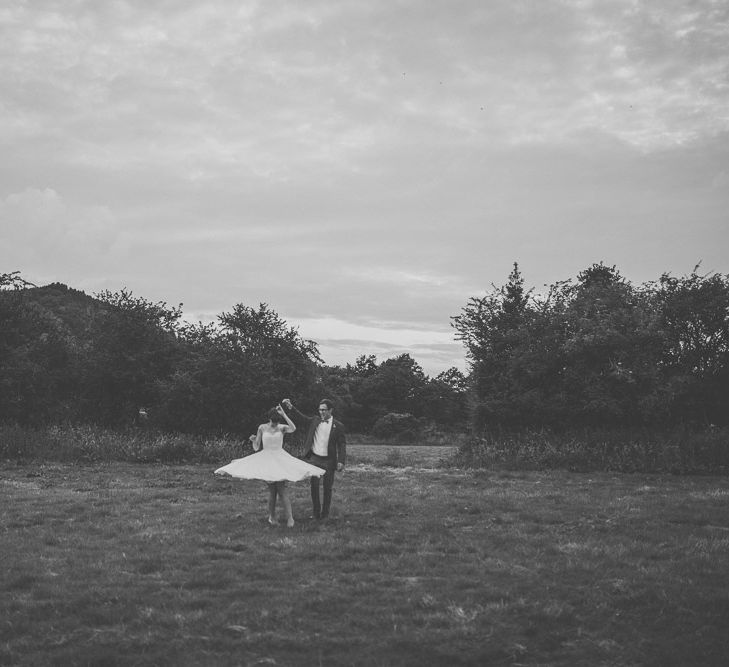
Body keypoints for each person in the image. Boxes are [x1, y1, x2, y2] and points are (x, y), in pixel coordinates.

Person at [214, 404, 325, 528]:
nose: (274, 424)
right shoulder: (262, 427)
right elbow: (256, 447)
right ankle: (272, 517)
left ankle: (290, 518)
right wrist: (253, 440)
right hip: (266, 459)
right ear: (269, 419)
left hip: (280, 459)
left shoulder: (282, 427)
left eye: (276, 421)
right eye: (273, 422)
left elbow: (293, 428)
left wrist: (284, 414)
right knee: (272, 491)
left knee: (282, 490)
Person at [282, 398, 346, 520]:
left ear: (330, 410)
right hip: (315, 459)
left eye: (324, 410)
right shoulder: (315, 420)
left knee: (328, 488)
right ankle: (316, 514)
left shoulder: (338, 426)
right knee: (314, 487)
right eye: (320, 410)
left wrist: (341, 461)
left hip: (329, 460)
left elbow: (342, 444)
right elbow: (301, 418)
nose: (321, 412)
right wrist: (290, 406)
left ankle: (325, 514)